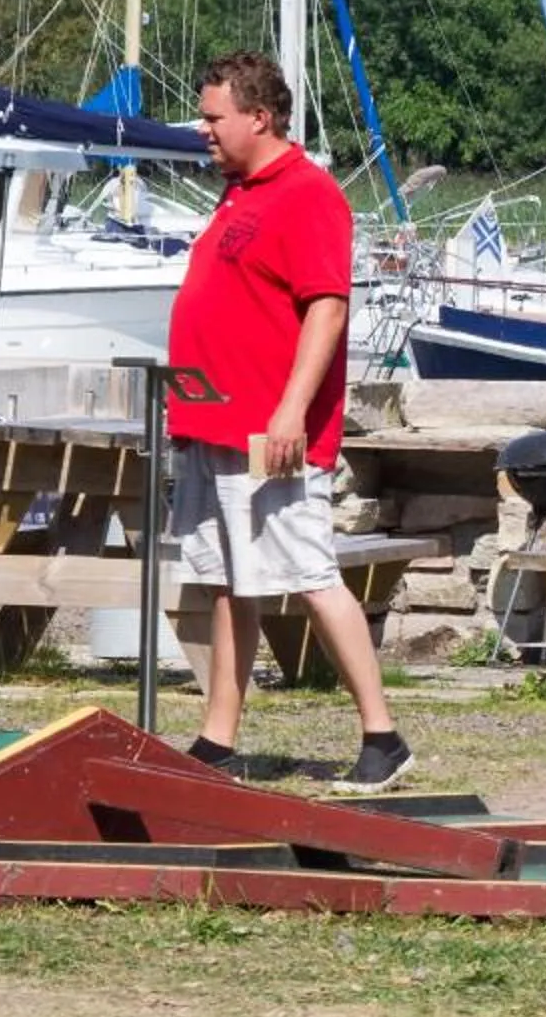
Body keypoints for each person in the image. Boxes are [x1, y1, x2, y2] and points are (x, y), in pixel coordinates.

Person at [172, 50, 410, 791]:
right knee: (227, 582)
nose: (203, 131)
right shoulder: (240, 193)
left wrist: (289, 411)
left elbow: (327, 307)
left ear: (258, 116)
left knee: (307, 573)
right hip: (212, 421)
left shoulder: (306, 194)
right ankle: (219, 737)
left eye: (213, 118)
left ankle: (383, 735)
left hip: (266, 430)